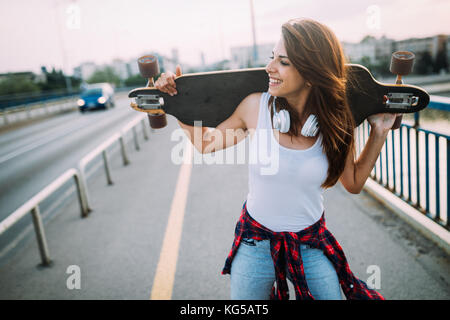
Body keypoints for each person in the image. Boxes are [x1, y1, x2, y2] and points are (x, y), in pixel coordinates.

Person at [155, 18, 392, 300]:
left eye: (283, 61)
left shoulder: (337, 121)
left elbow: (352, 183)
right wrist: (181, 102)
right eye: (272, 58)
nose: (270, 68)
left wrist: (379, 131)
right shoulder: (257, 107)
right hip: (255, 244)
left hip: (311, 244)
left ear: (311, 74)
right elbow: (206, 144)